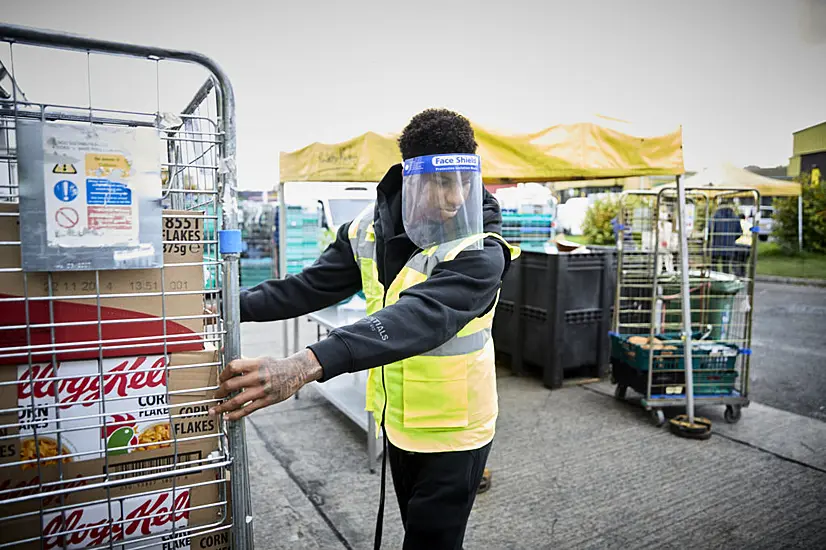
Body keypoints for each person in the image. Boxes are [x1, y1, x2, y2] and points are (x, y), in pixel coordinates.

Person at [209, 108, 519, 549]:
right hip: (398, 421)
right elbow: (309, 287)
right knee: (417, 531)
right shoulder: (367, 230)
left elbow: (421, 314)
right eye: (442, 181)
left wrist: (306, 363)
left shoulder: (482, 246)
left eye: (464, 180)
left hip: (456, 430)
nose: (456, 196)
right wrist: (223, 306)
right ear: (411, 176)